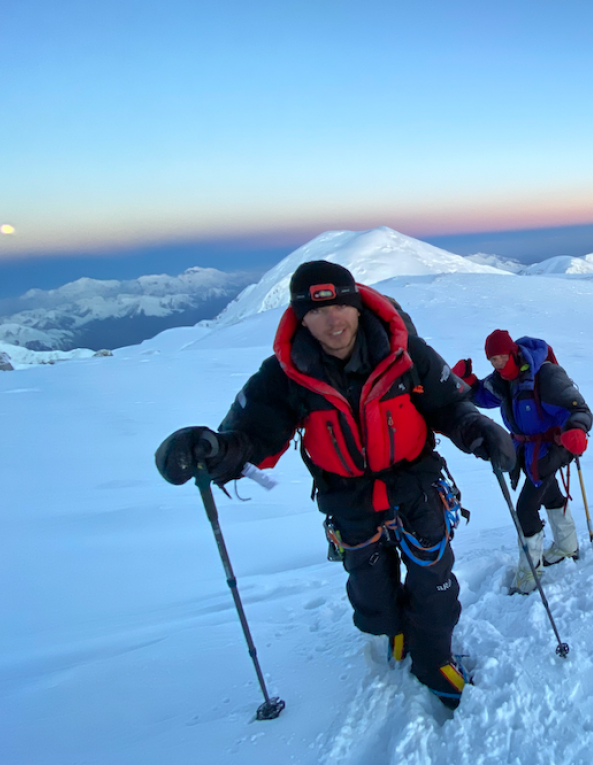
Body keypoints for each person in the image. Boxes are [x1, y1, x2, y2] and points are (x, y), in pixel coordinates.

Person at [154, 260, 515, 710]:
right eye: (318, 311)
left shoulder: (407, 353)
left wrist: (477, 430)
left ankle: (433, 657)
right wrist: (213, 450)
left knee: (433, 580)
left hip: (416, 484)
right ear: (301, 318)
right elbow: (253, 438)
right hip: (347, 497)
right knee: (372, 593)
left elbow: (449, 405)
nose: (333, 319)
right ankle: (396, 631)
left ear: (358, 306)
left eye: (341, 306)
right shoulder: (286, 375)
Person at [453, 330, 592, 594]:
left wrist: (576, 428)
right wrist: (467, 382)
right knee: (550, 496)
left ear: (512, 352)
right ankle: (567, 546)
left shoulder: (545, 375)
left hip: (552, 449)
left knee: (526, 508)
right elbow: (483, 396)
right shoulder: (503, 380)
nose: (497, 364)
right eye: (492, 360)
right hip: (527, 451)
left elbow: (577, 407)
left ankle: (530, 573)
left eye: (500, 358)